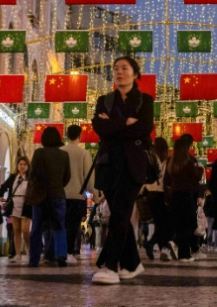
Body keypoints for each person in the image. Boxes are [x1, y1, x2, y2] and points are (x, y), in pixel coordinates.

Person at [91, 56, 154, 285]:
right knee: (120, 214)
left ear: (135, 74)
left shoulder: (145, 101)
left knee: (119, 212)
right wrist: (126, 122)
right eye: (115, 68)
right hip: (108, 165)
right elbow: (99, 126)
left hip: (133, 165)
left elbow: (145, 127)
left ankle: (111, 266)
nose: (119, 72)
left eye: (124, 68)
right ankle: (133, 263)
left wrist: (113, 125)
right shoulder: (105, 100)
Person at [28, 126, 71, 268]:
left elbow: (32, 173)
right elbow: (67, 177)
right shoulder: (64, 155)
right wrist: (58, 185)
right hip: (58, 194)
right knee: (59, 226)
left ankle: (34, 259)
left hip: (40, 195)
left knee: (37, 227)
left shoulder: (39, 153)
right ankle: (61, 256)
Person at [164, 136, 205, 262]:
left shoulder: (171, 161)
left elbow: (166, 180)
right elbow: (197, 178)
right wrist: (200, 169)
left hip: (174, 195)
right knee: (188, 225)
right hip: (187, 196)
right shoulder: (189, 162)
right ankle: (184, 254)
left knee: (179, 224)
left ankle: (174, 244)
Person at [62, 124, 94, 265]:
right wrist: (94, 193)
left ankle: (59, 251)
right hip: (77, 195)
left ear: (67, 135)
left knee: (61, 225)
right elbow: (89, 176)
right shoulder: (83, 153)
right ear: (80, 136)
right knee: (73, 225)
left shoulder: (60, 151)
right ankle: (69, 252)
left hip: (61, 194)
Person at [143, 137, 173, 261]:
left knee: (159, 223)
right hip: (162, 194)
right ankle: (151, 243)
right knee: (164, 224)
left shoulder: (151, 158)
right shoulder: (167, 160)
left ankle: (162, 249)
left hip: (150, 193)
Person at [0, 156, 32, 264]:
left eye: (24, 164)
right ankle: (18, 254)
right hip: (14, 204)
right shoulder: (13, 177)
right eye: (20, 164)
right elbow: (4, 186)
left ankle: (28, 248)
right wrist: (0, 195)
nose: (22, 166)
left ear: (28, 166)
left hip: (26, 204)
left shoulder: (30, 177)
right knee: (16, 230)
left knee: (25, 230)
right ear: (17, 166)